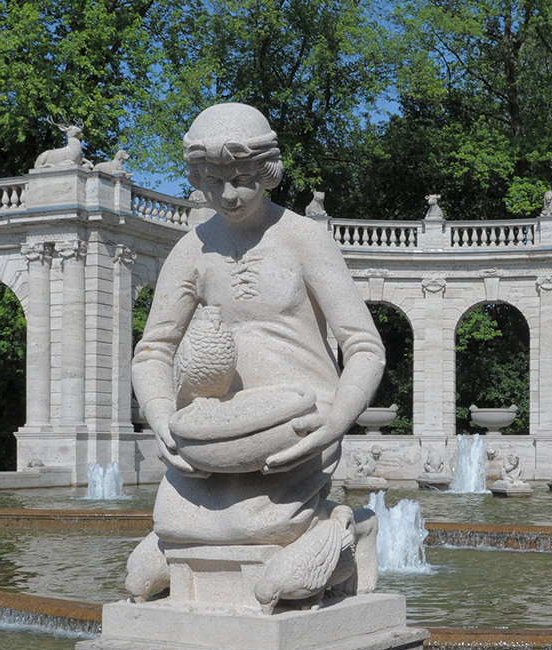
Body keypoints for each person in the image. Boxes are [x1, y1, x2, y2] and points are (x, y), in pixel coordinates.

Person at [128, 103, 385, 602]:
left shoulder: (304, 239)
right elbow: (153, 349)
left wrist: (335, 422)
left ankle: (349, 529)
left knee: (273, 570)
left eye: (243, 178)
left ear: (267, 173)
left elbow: (364, 346)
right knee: (140, 581)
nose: (227, 195)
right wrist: (161, 420)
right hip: (213, 429)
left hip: (296, 425)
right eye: (210, 180)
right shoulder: (190, 250)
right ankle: (204, 537)